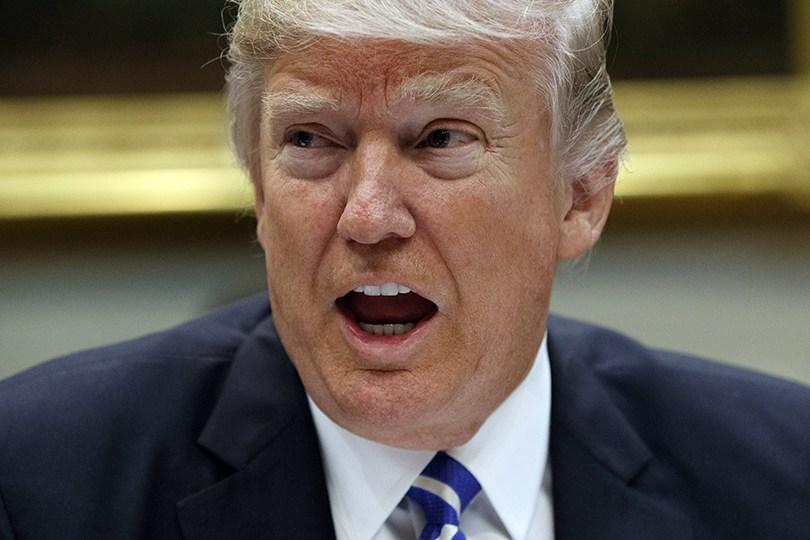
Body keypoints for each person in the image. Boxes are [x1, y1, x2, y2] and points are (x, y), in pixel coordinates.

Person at [1, 0, 809, 538]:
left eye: (441, 140)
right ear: (257, 186)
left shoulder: (780, 478)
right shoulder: (38, 482)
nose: (368, 216)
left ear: (581, 196)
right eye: (311, 140)